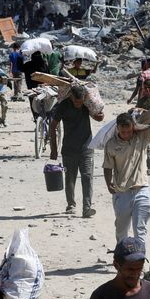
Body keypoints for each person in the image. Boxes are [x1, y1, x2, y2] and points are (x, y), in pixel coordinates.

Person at [102, 111, 150, 243]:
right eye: (123, 132)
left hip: (141, 190)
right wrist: (108, 183)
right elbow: (107, 166)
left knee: (140, 229)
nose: (126, 135)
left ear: (133, 128)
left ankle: (139, 260)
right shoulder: (111, 145)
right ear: (117, 128)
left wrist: (143, 120)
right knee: (121, 231)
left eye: (129, 131)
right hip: (122, 192)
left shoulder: (142, 137)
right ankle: (121, 258)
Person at [49, 84, 104, 218]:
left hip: (86, 147)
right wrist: (54, 149)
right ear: (71, 97)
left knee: (87, 177)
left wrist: (99, 113)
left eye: (80, 102)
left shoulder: (86, 104)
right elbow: (52, 127)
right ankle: (71, 204)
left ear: (84, 98)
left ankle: (87, 208)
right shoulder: (63, 106)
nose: (78, 104)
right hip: (69, 148)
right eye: (75, 102)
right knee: (70, 178)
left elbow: (98, 118)